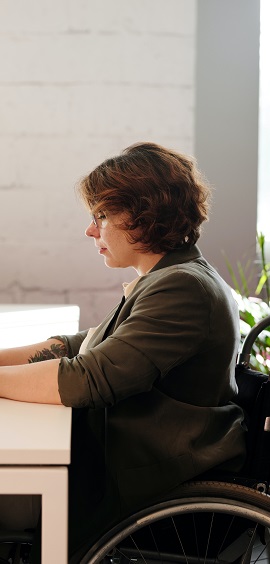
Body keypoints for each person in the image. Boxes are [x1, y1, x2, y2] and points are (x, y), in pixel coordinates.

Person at [0, 142, 246, 561]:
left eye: (101, 216)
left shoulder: (182, 286)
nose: (90, 230)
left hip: (148, 478)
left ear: (144, 215)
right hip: (137, 461)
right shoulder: (169, 274)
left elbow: (89, 380)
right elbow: (84, 345)